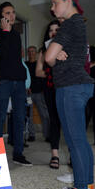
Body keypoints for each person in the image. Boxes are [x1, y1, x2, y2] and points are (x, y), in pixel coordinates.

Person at [46, 0, 95, 189]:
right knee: (80, 141)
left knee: (75, 141)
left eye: (55, 2)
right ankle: (88, 187)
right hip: (79, 85)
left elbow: (48, 57)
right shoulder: (78, 25)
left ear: (69, 1)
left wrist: (55, 53)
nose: (52, 7)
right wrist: (59, 52)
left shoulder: (70, 24)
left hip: (71, 86)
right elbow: (55, 54)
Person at [0, 2, 31, 166]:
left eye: (13, 12)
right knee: (0, 116)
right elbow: (3, 54)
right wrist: (5, 32)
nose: (12, 16)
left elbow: (15, 57)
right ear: (1, 16)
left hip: (19, 81)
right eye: (8, 13)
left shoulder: (16, 34)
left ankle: (18, 153)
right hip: (4, 81)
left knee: (20, 117)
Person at [36, 20, 62, 169]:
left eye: (57, 29)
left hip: (66, 88)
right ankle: (55, 155)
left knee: (69, 121)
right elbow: (38, 72)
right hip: (50, 88)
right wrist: (52, 72)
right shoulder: (43, 50)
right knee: (54, 121)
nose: (53, 32)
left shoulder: (68, 46)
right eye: (51, 30)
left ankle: (74, 155)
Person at [26, 46, 50, 142]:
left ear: (36, 53)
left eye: (33, 51)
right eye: (29, 51)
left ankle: (47, 135)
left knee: (44, 114)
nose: (31, 53)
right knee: (29, 115)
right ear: (28, 53)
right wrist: (26, 88)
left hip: (40, 93)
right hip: (29, 94)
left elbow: (45, 78)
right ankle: (32, 135)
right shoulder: (25, 64)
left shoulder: (40, 64)